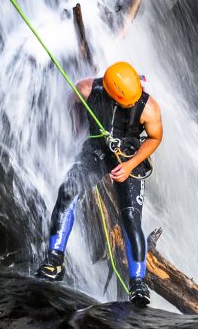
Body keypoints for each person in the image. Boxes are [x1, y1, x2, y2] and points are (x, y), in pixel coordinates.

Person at [35, 61, 162, 307]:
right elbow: (72, 101)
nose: (133, 104)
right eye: (127, 102)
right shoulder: (87, 90)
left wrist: (130, 165)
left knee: (130, 216)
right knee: (67, 192)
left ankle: (138, 282)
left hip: (128, 154)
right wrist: (78, 127)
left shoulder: (148, 107)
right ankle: (54, 260)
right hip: (96, 149)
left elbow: (155, 137)